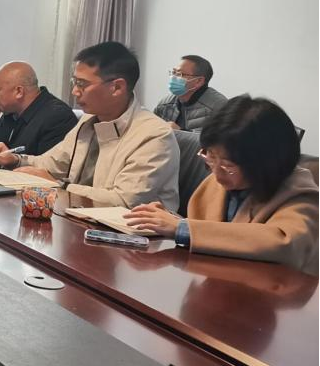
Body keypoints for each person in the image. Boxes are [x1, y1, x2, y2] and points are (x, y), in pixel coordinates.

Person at [126, 96, 319, 275]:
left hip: (268, 292)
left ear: (266, 163)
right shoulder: (219, 181)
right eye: (210, 157)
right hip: (213, 281)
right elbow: (213, 235)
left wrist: (182, 228)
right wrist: (168, 220)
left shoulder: (299, 193)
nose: (216, 173)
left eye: (228, 165)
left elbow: (283, 243)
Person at [0, 41, 180, 210]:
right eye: (74, 82)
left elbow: (124, 200)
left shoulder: (154, 135)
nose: (75, 91)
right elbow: (53, 163)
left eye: (81, 84)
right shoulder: (89, 120)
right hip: (80, 218)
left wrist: (59, 186)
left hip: (129, 234)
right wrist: (16, 160)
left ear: (117, 87)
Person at [0, 61, 78, 159]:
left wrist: (12, 160)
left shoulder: (58, 117)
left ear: (19, 91)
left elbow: (45, 169)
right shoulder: (11, 110)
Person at [152, 55, 227, 132]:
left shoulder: (219, 106)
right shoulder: (165, 103)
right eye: (174, 72)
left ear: (199, 81)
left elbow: (222, 138)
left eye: (179, 74)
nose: (173, 77)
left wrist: (180, 132)